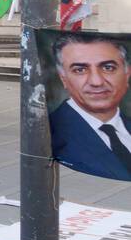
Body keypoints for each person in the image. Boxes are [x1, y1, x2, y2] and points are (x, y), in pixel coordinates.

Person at [49, 33, 131, 181]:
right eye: (80, 70)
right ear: (64, 79)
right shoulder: (49, 132)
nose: (96, 81)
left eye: (108, 67)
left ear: (127, 74)